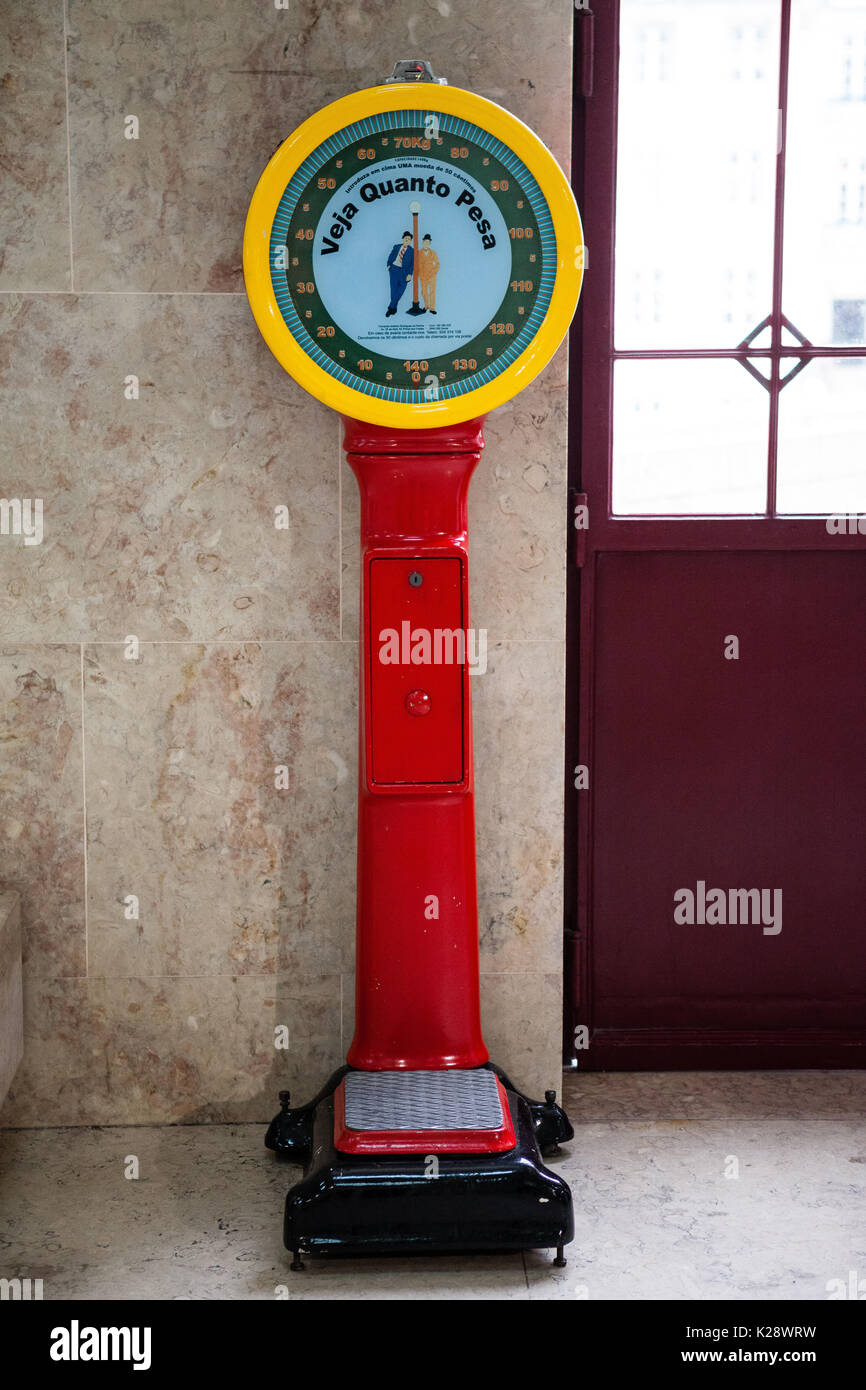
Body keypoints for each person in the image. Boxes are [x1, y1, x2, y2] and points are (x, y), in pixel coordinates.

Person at [385, 232, 414, 316]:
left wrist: (409, 274)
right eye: (406, 239)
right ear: (402, 239)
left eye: (409, 239)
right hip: (394, 269)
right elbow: (391, 256)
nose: (407, 240)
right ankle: (393, 308)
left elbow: (412, 264)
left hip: (404, 273)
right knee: (393, 291)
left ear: (410, 241)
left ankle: (391, 308)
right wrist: (388, 265)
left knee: (400, 291)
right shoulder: (396, 247)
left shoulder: (412, 251)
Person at [418, 233, 440, 314]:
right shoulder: (419, 253)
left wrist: (433, 273)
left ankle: (432, 308)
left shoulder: (433, 253)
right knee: (423, 292)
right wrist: (419, 274)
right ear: (423, 242)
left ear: (430, 243)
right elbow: (416, 264)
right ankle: (426, 306)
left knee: (432, 292)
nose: (426, 244)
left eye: (428, 242)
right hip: (423, 276)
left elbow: (437, 264)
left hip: (431, 276)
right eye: (425, 242)